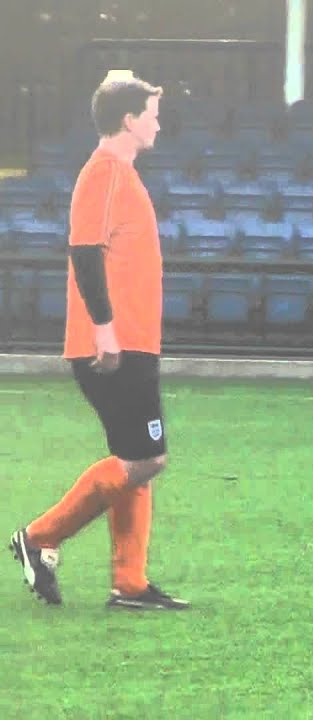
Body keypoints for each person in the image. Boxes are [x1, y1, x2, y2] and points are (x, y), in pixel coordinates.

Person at [10, 70, 188, 610]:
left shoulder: (122, 174)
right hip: (113, 344)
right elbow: (84, 252)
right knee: (145, 460)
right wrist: (105, 330)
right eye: (153, 113)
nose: (159, 122)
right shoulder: (103, 173)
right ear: (130, 120)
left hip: (132, 339)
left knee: (134, 455)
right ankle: (39, 537)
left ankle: (129, 583)